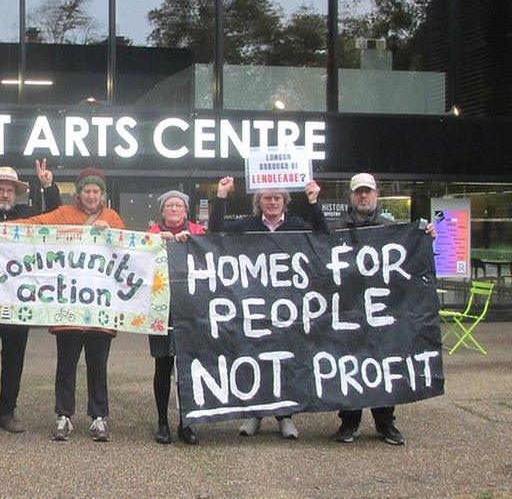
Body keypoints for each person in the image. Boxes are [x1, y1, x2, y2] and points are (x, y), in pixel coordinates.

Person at [209, 176, 329, 439]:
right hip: (255, 306)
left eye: (277, 198)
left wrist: (313, 202)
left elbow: (323, 239)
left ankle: (285, 416)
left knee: (286, 360)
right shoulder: (247, 226)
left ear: (285, 202)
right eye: (267, 198)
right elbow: (216, 232)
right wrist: (220, 197)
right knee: (256, 357)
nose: (272, 202)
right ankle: (254, 414)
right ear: (259, 202)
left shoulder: (297, 226)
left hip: (288, 307)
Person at [13, 168, 125, 442]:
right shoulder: (63, 214)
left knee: (98, 366)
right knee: (66, 364)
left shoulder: (112, 217)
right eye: (86, 191)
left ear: (102, 195)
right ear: (78, 193)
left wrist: (110, 234)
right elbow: (35, 224)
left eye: (95, 191)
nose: (90, 195)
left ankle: (99, 417)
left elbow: (128, 250)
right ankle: (63, 416)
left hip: (100, 310)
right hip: (68, 310)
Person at [331, 172, 436, 446]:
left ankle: (385, 423)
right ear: (351, 196)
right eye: (358, 192)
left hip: (384, 310)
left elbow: (410, 262)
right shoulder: (337, 228)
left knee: (384, 363)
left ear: (376, 194)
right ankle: (349, 422)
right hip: (349, 309)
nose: (363, 196)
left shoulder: (392, 228)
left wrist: (425, 238)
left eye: (368, 191)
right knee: (352, 364)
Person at [0, 159, 62, 435]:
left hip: (17, 303)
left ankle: (7, 411)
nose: (6, 195)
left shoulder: (26, 214)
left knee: (14, 360)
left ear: (17, 193)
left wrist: (48, 187)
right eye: (0, 189)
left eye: (10, 190)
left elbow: (54, 218)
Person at [146, 190, 205, 445]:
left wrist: (190, 242)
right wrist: (159, 241)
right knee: (163, 365)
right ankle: (162, 422)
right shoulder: (151, 233)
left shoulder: (197, 232)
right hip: (161, 308)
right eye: (169, 204)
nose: (173, 208)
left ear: (185, 210)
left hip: (190, 309)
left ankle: (186, 422)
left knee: (187, 368)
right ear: (162, 211)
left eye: (178, 205)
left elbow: (209, 256)